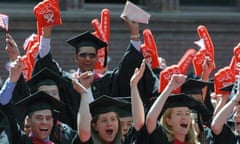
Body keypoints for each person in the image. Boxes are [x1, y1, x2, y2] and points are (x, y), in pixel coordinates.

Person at [210, 77, 240, 144]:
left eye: (239, 112)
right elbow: (216, 127)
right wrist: (235, 99)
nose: (235, 116)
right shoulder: (232, 139)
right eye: (234, 112)